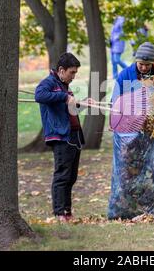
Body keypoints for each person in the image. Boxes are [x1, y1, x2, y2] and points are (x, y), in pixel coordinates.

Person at [111, 42, 154, 218]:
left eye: (147, 65)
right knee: (129, 168)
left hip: (151, 127)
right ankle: (128, 208)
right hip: (130, 130)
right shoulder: (125, 75)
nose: (144, 67)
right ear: (136, 61)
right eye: (141, 64)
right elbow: (116, 102)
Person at [34, 52, 92, 222]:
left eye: (75, 73)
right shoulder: (49, 83)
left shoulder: (64, 84)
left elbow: (69, 109)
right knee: (62, 175)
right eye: (71, 72)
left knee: (71, 176)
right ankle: (59, 213)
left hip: (74, 135)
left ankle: (67, 211)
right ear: (61, 70)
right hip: (61, 137)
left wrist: (84, 103)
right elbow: (39, 96)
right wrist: (64, 96)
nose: (73, 76)